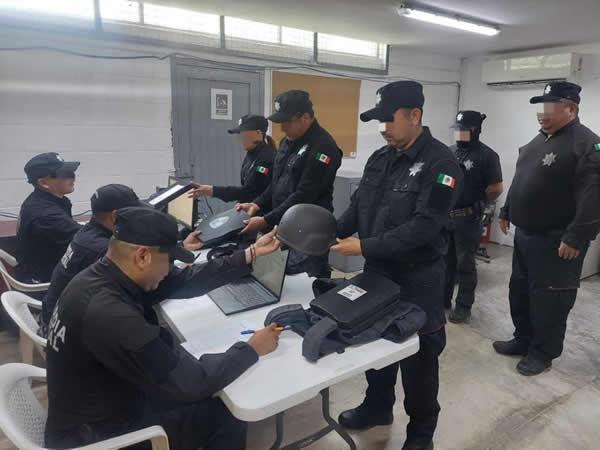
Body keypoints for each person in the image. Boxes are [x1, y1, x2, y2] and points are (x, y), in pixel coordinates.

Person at [45, 207, 282, 449]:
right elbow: (192, 382)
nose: (170, 269)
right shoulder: (111, 315)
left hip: (98, 404)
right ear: (143, 256)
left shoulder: (101, 277)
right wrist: (251, 349)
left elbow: (182, 281)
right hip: (97, 438)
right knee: (225, 415)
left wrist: (250, 254)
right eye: (168, 260)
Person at [331, 81, 463, 450]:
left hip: (418, 280)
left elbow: (425, 226)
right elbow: (356, 209)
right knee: (377, 346)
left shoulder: (441, 163)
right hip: (378, 275)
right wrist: (326, 231)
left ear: (415, 115)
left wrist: (364, 245)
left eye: (389, 120)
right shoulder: (379, 158)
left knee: (420, 359)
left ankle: (421, 433)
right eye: (380, 121)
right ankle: (377, 408)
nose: (383, 129)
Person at [493, 81, 600, 376]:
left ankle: (543, 352)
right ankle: (523, 339)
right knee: (520, 291)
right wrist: (507, 209)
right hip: (526, 236)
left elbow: (594, 197)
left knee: (550, 299)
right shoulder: (539, 140)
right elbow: (521, 178)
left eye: (550, 107)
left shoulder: (587, 145)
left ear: (571, 109)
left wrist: (577, 236)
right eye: (541, 107)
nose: (542, 113)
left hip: (558, 241)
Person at [39, 184, 203, 336]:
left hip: (58, 317)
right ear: (115, 217)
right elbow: (160, 285)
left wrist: (178, 247)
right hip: (69, 333)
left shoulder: (89, 233)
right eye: (134, 215)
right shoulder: (102, 249)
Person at [237, 90, 342, 277]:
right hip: (284, 226)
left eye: (286, 122)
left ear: (305, 117)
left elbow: (304, 195)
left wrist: (266, 220)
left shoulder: (323, 147)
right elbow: (277, 183)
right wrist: (257, 204)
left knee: (305, 283)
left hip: (308, 233)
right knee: (281, 280)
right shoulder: (287, 142)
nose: (282, 128)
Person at [444, 110, 503, 323]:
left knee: (465, 264)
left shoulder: (487, 155)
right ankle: (442, 300)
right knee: (445, 262)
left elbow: (496, 188)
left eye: (463, 129)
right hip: (447, 217)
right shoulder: (450, 152)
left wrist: (479, 203)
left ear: (475, 129)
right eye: (457, 129)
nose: (459, 133)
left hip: (468, 219)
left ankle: (463, 306)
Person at [15, 152, 82, 287]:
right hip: (45, 283)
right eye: (64, 174)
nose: (72, 177)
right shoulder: (44, 215)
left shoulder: (51, 201)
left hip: (49, 266)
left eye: (71, 172)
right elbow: (85, 240)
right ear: (44, 183)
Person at [188, 114, 276, 204]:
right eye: (240, 134)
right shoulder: (251, 154)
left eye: (244, 134)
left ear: (258, 133)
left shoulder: (266, 159)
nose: (240, 138)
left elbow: (250, 191)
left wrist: (212, 190)